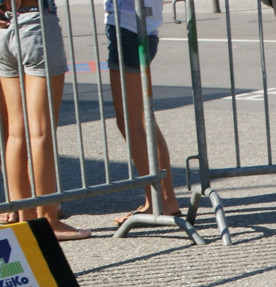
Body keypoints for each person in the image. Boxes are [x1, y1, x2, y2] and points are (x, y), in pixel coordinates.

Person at [0, 0, 91, 240]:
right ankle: (49, 218)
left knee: (16, 132)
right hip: (34, 22)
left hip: (4, 29)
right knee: (40, 132)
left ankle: (25, 217)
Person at [105, 0, 181, 225]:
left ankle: (157, 202)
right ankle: (164, 200)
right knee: (140, 119)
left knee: (132, 120)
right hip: (141, 26)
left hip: (128, 27)